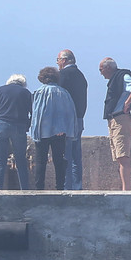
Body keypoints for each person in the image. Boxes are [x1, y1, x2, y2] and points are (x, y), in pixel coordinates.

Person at [98, 58, 131, 191]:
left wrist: (127, 103)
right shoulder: (116, 79)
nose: (101, 73)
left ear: (107, 68)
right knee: (119, 156)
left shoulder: (123, 76)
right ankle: (125, 188)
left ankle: (126, 189)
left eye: (101, 70)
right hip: (115, 119)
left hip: (121, 119)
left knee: (123, 156)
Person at [29, 66, 76, 190]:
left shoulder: (39, 92)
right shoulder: (64, 93)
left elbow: (37, 113)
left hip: (42, 132)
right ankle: (60, 187)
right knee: (59, 161)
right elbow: (70, 114)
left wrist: (35, 131)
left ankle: (39, 188)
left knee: (40, 161)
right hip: (59, 132)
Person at [0, 74, 33, 190]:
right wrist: (27, 126)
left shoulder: (2, 89)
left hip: (1, 124)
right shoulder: (26, 93)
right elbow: (33, 113)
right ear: (23, 83)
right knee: (21, 160)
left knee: (0, 160)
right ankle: (25, 190)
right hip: (19, 127)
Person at [55, 49, 88, 189]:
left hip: (66, 120)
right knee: (76, 156)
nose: (57, 63)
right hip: (79, 119)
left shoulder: (63, 75)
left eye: (58, 60)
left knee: (66, 155)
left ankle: (67, 187)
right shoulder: (81, 76)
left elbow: (58, 97)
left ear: (64, 60)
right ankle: (77, 186)